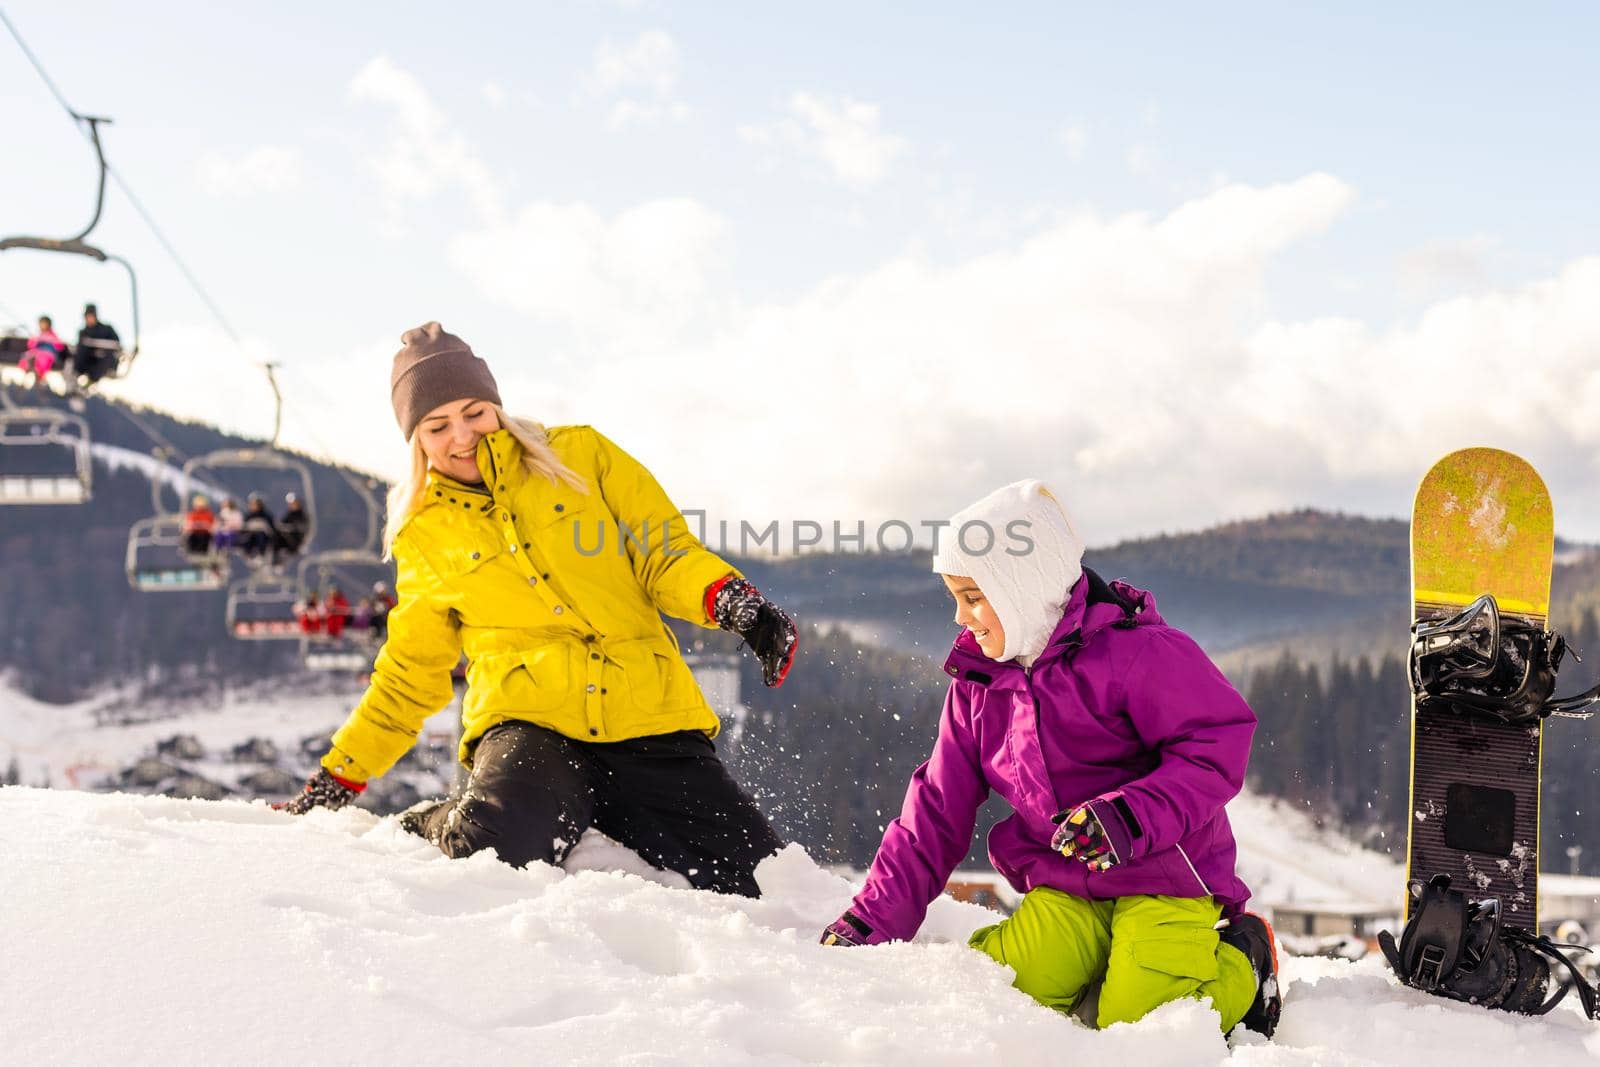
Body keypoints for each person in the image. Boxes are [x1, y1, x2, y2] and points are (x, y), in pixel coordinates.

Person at [280, 322, 799, 898]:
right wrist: (339, 776)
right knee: (496, 855)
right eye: (437, 425)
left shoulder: (581, 456)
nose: (462, 437)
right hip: (530, 722)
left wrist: (731, 601)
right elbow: (410, 671)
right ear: (415, 439)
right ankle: (435, 821)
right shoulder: (424, 532)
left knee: (760, 885)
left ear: (497, 406)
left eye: (474, 413)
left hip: (645, 713)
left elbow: (665, 552)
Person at [820, 480, 1282, 1038]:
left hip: (1166, 874)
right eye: (955, 600)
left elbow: (1215, 744)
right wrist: (875, 916)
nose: (960, 619)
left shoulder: (1137, 654)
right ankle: (1099, 958)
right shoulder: (979, 686)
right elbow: (938, 808)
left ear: (1023, 586)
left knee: (1143, 1025)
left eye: (972, 598)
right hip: (1069, 880)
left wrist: (1129, 817)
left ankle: (1244, 961)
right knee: (1009, 990)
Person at [74, 304, 121, 385]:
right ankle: (78, 376)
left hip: (104, 361)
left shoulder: (106, 329)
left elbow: (116, 344)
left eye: (91, 316)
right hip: (89, 362)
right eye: (87, 317)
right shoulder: (83, 332)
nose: (89, 319)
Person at [19, 316, 65, 385]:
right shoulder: (37, 335)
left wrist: (51, 340)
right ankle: (28, 369)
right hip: (36, 354)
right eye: (41, 324)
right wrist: (37, 339)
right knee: (28, 356)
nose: (42, 326)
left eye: (44, 324)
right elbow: (30, 345)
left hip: (47, 355)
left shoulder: (53, 335)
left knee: (43, 360)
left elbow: (60, 347)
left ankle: (39, 376)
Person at [240, 493, 278, 564]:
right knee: (246, 539)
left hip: (264, 536)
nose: (253, 506)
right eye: (252, 504)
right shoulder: (248, 516)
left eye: (255, 504)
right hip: (251, 535)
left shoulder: (266, 515)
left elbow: (272, 528)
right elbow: (243, 527)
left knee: (260, 536)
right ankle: (249, 556)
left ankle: (261, 556)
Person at [275, 492, 310, 561]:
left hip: (296, 540)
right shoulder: (289, 514)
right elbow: (282, 523)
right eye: (291, 504)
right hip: (287, 540)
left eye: (294, 503)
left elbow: (303, 526)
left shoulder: (302, 514)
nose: (293, 505)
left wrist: (292, 528)